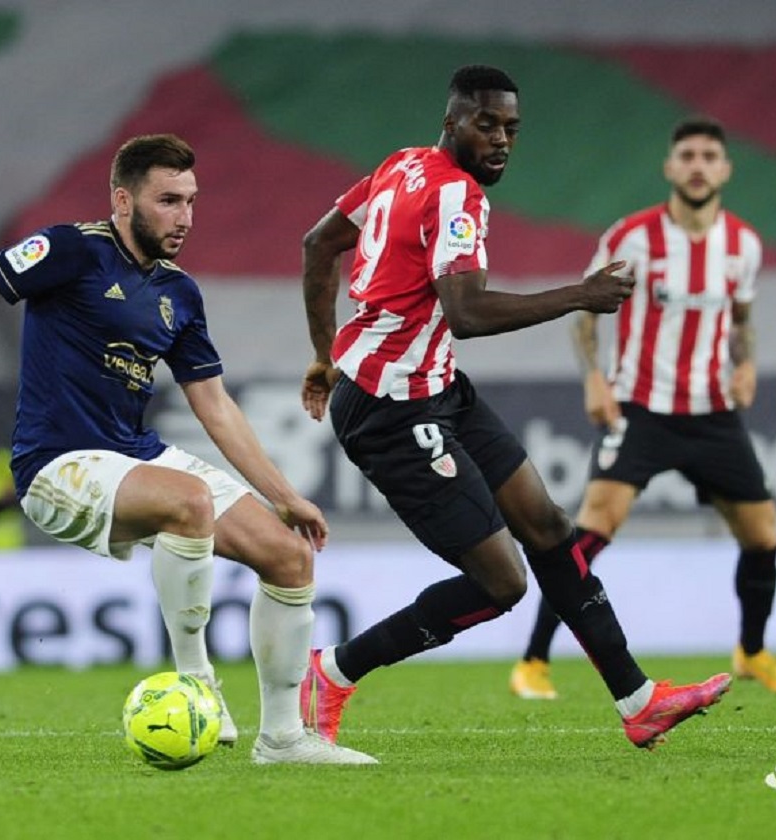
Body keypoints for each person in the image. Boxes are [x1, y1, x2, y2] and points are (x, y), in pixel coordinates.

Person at [0, 133, 375, 765]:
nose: (185, 217)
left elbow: (213, 405)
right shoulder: (72, 250)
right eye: (168, 201)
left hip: (136, 456)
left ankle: (284, 739)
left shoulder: (179, 294)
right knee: (188, 503)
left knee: (289, 558)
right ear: (123, 201)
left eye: (190, 201)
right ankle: (196, 682)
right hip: (56, 465)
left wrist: (284, 496)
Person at [300, 65, 731, 752]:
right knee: (502, 584)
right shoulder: (455, 195)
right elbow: (465, 312)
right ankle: (333, 671)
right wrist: (578, 295)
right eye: (487, 124)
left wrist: (327, 354)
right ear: (453, 121)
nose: (501, 140)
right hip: (390, 407)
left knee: (548, 524)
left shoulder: (401, 164)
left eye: (511, 129)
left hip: (433, 386)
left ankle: (640, 701)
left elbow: (319, 242)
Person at [509, 116, 776, 702]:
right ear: (671, 167)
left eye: (709, 156)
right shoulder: (633, 237)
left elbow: (741, 321)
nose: (698, 165)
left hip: (713, 413)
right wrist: (594, 378)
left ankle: (752, 651)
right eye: (687, 155)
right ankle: (534, 662)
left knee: (763, 537)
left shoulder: (743, 244)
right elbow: (588, 313)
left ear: (725, 169)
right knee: (591, 531)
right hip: (639, 409)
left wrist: (746, 364)